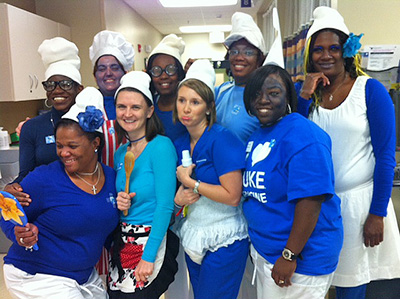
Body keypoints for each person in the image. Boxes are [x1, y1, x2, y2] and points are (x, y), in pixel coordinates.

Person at [296, 6, 400, 299]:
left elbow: (385, 158)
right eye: (318, 49)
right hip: (318, 206)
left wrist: (377, 213)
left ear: (346, 51)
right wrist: (304, 96)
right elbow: (296, 141)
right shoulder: (310, 95)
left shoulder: (369, 91)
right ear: (310, 55)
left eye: (333, 48)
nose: (326, 55)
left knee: (351, 287)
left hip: (360, 204)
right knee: (317, 283)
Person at [1, 87, 119, 299]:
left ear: (95, 143)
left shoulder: (111, 179)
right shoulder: (45, 179)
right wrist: (19, 235)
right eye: (59, 145)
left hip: (83, 276)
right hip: (38, 275)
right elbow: (6, 208)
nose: (64, 153)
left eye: (72, 146)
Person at [242, 63, 343, 299]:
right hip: (267, 250)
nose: (263, 100)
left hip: (298, 259)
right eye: (257, 94)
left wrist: (289, 255)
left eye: (274, 93)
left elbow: (310, 201)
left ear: (288, 96)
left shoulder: (304, 136)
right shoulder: (260, 133)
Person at [173, 60, 249, 299]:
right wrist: (178, 198)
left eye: (195, 102)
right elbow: (179, 194)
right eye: (182, 100)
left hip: (225, 236)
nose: (186, 108)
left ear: (208, 108)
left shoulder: (223, 140)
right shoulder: (180, 143)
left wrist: (193, 183)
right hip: (194, 232)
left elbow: (233, 196)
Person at [108, 71, 178, 299]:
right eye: (121, 107)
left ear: (149, 111)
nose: (127, 114)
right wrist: (122, 201)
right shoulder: (121, 153)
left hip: (151, 240)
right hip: (124, 241)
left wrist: (148, 256)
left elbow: (165, 206)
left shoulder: (161, 147)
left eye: (135, 107)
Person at [4, 37, 83, 205]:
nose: (57, 90)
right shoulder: (32, 127)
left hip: (86, 201)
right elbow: (25, 173)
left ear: (79, 88)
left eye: (66, 84)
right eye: (51, 85)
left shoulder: (91, 123)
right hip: (47, 204)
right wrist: (12, 188)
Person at [215, 12, 266, 144]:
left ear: (259, 59)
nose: (239, 57)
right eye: (234, 51)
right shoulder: (220, 91)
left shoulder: (265, 98)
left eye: (248, 52)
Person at [89, 30, 135, 166]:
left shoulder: (137, 103)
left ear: (125, 73)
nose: (108, 73)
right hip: (99, 180)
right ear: (95, 75)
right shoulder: (87, 103)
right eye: (102, 68)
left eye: (114, 68)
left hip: (133, 178)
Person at [146, 34, 187, 142]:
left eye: (170, 69)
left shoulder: (188, 107)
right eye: (156, 70)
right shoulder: (148, 108)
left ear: (179, 73)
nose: (163, 76)